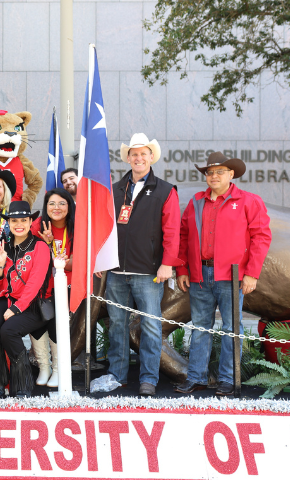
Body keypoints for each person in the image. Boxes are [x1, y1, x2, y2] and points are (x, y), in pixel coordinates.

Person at [174, 153, 272, 396]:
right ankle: (196, 377)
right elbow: (183, 236)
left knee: (231, 328)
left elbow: (261, 237)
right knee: (200, 328)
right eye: (210, 172)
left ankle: (228, 379)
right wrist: (183, 269)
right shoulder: (197, 201)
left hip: (233, 276)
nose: (214, 176)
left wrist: (252, 274)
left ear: (231, 174)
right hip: (199, 274)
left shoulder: (249, 201)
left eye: (220, 171)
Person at [96, 133, 182, 397]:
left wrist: (167, 263)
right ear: (129, 158)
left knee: (151, 326)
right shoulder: (115, 189)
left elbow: (172, 230)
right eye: (134, 154)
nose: (139, 158)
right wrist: (100, 258)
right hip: (116, 272)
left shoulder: (166, 190)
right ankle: (118, 375)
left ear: (151, 157)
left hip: (148, 273)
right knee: (117, 324)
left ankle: (148, 379)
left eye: (143, 153)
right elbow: (103, 226)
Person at [0, 201, 53, 398]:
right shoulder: (4, 246)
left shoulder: (39, 246)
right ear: (9, 223)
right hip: (6, 299)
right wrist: (0, 265)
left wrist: (17, 308)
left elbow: (35, 284)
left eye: (24, 219)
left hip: (33, 304)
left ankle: (22, 382)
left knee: (9, 330)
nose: (19, 224)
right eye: (14, 220)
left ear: (31, 221)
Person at [30, 188, 75, 388]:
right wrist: (47, 244)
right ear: (45, 206)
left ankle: (59, 369)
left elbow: (79, 261)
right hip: (41, 283)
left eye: (61, 203)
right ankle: (44, 367)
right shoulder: (37, 226)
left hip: (67, 285)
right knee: (37, 320)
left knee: (57, 323)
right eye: (52, 203)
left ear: (69, 206)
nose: (56, 208)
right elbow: (33, 258)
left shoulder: (76, 226)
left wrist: (65, 262)